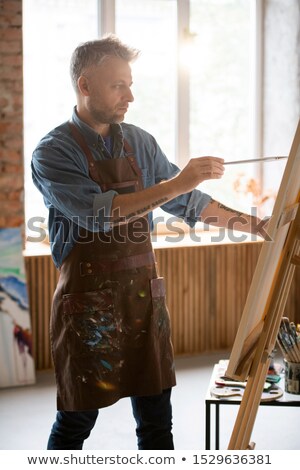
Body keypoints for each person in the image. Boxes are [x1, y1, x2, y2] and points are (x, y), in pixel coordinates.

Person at [31, 35, 268, 450]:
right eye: (118, 85)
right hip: (88, 308)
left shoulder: (139, 140)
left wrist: (257, 224)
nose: (130, 96)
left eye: (130, 83)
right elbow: (99, 214)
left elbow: (187, 203)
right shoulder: (52, 152)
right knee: (76, 422)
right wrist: (179, 180)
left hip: (144, 302)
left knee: (157, 424)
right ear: (85, 86)